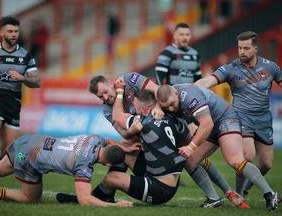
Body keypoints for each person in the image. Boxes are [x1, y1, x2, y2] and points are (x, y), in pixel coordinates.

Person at [89, 73, 248, 208]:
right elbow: (126, 134)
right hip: (152, 130)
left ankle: (224, 192)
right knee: (189, 156)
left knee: (193, 156)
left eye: (104, 92)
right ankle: (220, 195)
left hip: (158, 121)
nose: (105, 97)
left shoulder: (130, 79)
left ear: (111, 84)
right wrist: (133, 131)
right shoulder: (107, 108)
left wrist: (156, 106)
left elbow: (158, 91)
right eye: (100, 96)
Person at [156, 83, 282, 212]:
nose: (171, 109)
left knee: (235, 160)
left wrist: (191, 147)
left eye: (172, 104)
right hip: (211, 124)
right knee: (189, 161)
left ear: (176, 93)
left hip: (225, 119)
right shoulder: (169, 96)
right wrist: (157, 107)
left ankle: (270, 194)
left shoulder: (189, 96)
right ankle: (214, 199)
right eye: (166, 107)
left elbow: (207, 124)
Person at [195, 31, 282, 197]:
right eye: (240, 47)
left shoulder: (270, 67)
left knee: (266, 164)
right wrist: (192, 88)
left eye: (246, 48)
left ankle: (247, 187)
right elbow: (208, 81)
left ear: (256, 48)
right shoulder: (231, 68)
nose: (242, 51)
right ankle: (240, 193)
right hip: (240, 118)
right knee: (248, 156)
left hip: (264, 119)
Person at [0, 133, 135, 207]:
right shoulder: (83, 165)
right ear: (108, 165)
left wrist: (126, 148)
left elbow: (109, 141)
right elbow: (85, 200)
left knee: (0, 170)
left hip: (30, 139)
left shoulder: (94, 139)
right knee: (31, 199)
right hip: (28, 157)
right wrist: (116, 205)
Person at [0, 16, 41, 162]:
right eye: (10, 31)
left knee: (7, 153)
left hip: (13, 104)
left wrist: (23, 78)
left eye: (16, 31)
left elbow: (37, 81)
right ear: (1, 33)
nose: (14, 34)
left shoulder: (25, 55)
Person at [155, 23, 201, 134]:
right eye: (181, 34)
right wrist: (161, 101)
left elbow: (199, 79)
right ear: (175, 36)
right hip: (173, 101)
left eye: (187, 34)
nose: (185, 37)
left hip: (190, 99)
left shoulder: (195, 54)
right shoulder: (166, 53)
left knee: (196, 133)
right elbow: (159, 78)